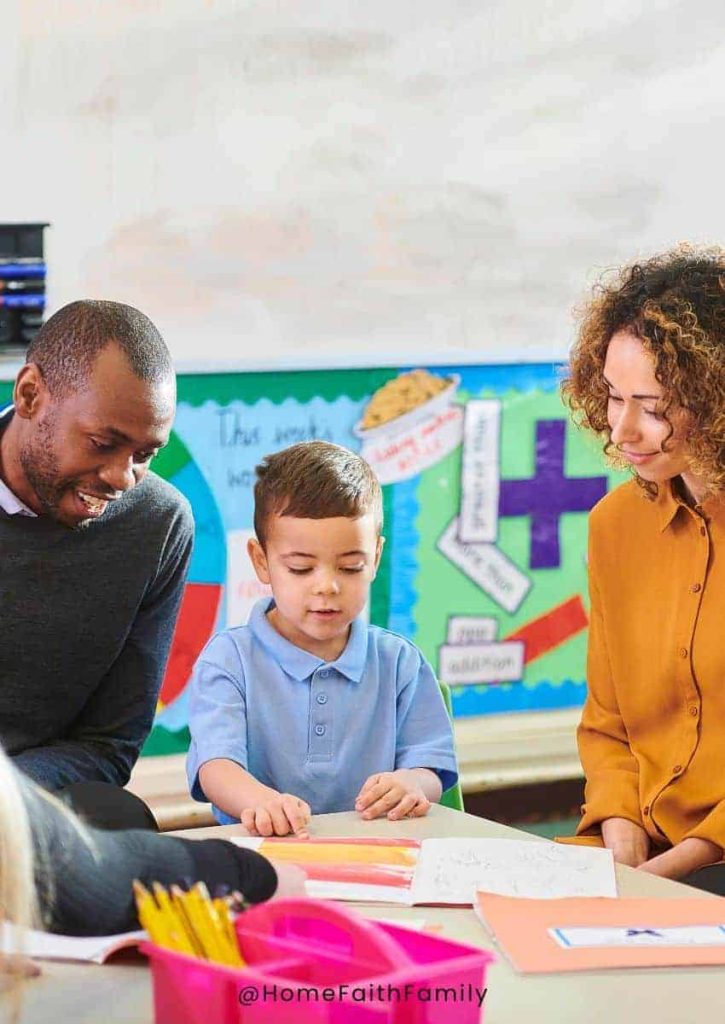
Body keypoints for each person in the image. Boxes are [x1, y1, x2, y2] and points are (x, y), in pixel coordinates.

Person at [186, 441, 458, 836]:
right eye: (300, 568)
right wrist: (260, 801)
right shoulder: (230, 659)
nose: (327, 587)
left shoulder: (399, 662)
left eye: (350, 567)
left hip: (379, 852)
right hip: (267, 853)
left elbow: (431, 765)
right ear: (261, 561)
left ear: (375, 559)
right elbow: (216, 767)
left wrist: (413, 783)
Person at [562, 244, 725, 892]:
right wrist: (620, 834)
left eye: (653, 407)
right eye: (611, 397)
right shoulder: (613, 525)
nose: (622, 430)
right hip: (643, 855)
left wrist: (666, 871)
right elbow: (607, 724)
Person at [0, 300, 194, 805]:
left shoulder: (158, 524)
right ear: (29, 395)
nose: (121, 477)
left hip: (31, 805)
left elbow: (110, 745)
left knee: (116, 816)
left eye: (145, 454)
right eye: (102, 442)